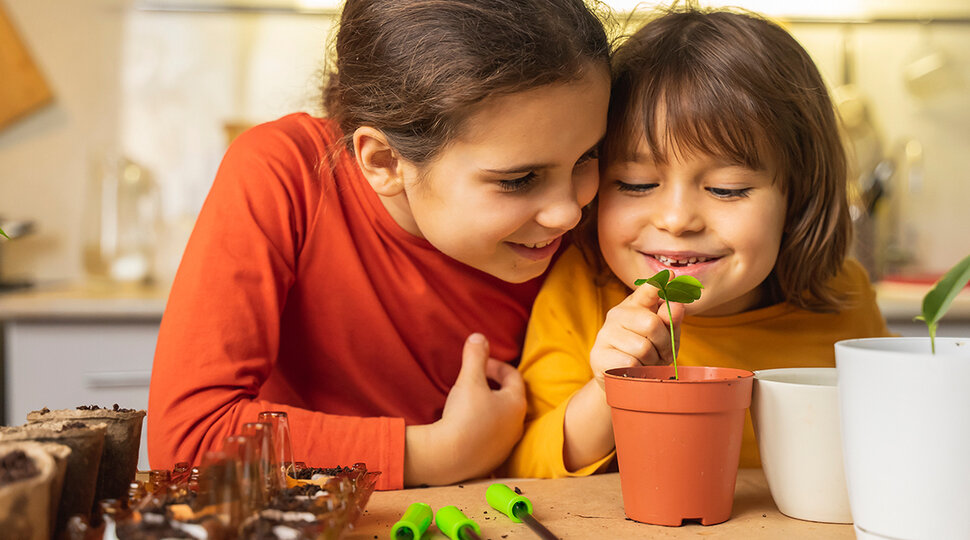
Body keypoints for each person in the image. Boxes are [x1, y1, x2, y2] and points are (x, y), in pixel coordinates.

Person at [148, 0, 611, 490]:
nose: (569, 212)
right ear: (386, 162)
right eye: (520, 179)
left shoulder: (588, 220)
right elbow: (189, 442)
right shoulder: (284, 174)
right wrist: (438, 454)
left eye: (589, 156)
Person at [503, 7, 891, 479]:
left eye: (726, 189)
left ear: (799, 197)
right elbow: (529, 467)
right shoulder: (581, 290)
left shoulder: (845, 297)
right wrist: (609, 388)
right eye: (637, 183)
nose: (676, 219)